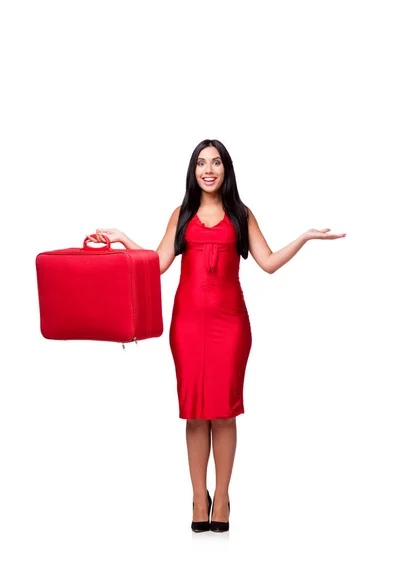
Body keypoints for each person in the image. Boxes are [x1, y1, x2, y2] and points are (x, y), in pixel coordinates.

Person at [88, 138, 346, 533]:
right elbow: (155, 266)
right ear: (193, 172)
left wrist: (305, 237)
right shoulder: (183, 213)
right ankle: (197, 497)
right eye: (201, 163)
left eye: (216, 163)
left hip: (231, 325)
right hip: (188, 325)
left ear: (226, 170)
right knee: (194, 412)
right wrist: (124, 238)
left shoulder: (241, 214)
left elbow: (269, 262)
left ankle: (222, 497)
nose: (208, 170)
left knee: (224, 413)